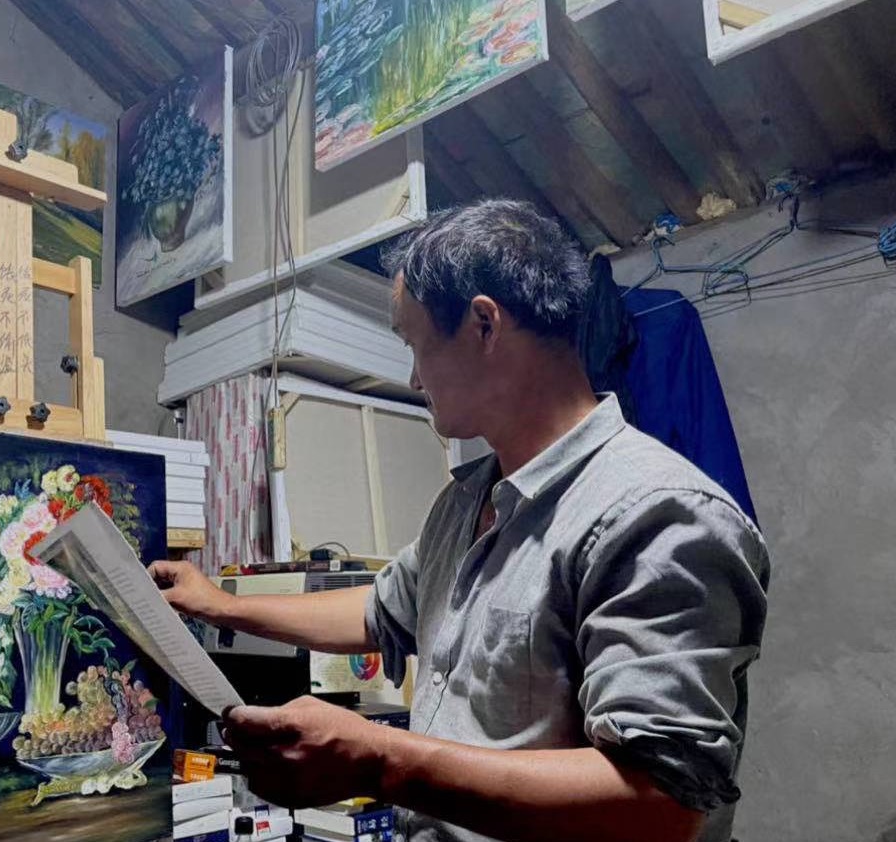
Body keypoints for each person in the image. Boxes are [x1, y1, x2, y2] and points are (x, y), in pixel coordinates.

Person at [151, 200, 770, 842]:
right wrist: (220, 606)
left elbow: (661, 806)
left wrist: (378, 759)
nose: (414, 377)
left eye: (415, 344)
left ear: (483, 325)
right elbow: (381, 611)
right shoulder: (463, 502)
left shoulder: (658, 514)